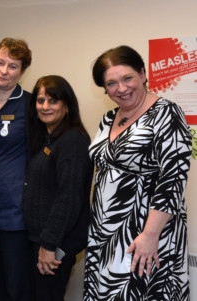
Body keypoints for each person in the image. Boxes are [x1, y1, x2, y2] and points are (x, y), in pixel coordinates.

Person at [84, 45, 191, 300]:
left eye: (127, 78)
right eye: (111, 83)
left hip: (146, 233)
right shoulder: (108, 118)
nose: (121, 89)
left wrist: (150, 235)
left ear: (142, 74)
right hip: (106, 234)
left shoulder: (167, 112)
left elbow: (174, 178)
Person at [23, 75, 92, 300]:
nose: (45, 106)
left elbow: (68, 198)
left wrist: (49, 245)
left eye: (53, 101)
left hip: (55, 244)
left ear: (67, 106)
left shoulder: (72, 141)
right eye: (40, 100)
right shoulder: (48, 139)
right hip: (42, 239)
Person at [0, 37, 33, 301]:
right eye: (0, 62)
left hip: (17, 212)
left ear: (22, 72)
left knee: (17, 287)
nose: (3, 70)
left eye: (12, 66)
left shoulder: (32, 106)